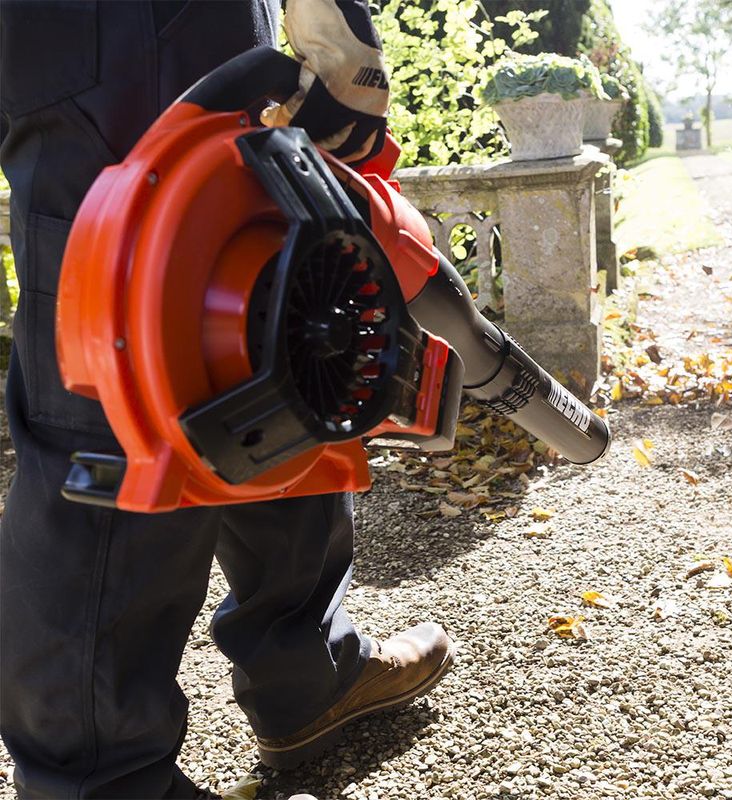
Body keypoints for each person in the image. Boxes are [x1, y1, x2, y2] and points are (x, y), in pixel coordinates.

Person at [0, 2, 455, 798]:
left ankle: (305, 673)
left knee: (264, 316)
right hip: (116, 29)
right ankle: (100, 781)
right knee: (129, 377)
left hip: (148, 33)